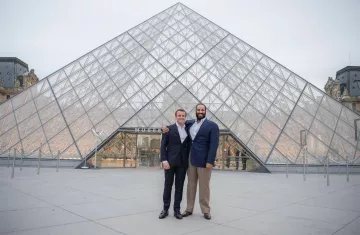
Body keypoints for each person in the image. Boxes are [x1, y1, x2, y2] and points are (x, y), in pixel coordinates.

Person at [162, 103, 219, 220]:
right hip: (190, 159)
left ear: (206, 111)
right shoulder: (189, 123)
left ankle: (205, 210)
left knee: (204, 186)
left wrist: (210, 161)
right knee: (190, 186)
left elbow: (214, 145)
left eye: (202, 110)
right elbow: (176, 126)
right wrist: (164, 128)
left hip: (204, 161)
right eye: (198, 110)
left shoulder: (212, 126)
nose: (200, 111)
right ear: (196, 111)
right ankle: (189, 209)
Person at [159, 109, 191, 220]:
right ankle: (165, 209)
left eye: (183, 115)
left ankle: (177, 210)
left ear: (185, 117)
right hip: (170, 162)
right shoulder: (168, 129)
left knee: (179, 187)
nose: (181, 117)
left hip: (182, 163)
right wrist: (164, 160)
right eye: (179, 115)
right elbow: (163, 146)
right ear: (175, 116)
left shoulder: (188, 129)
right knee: (167, 186)